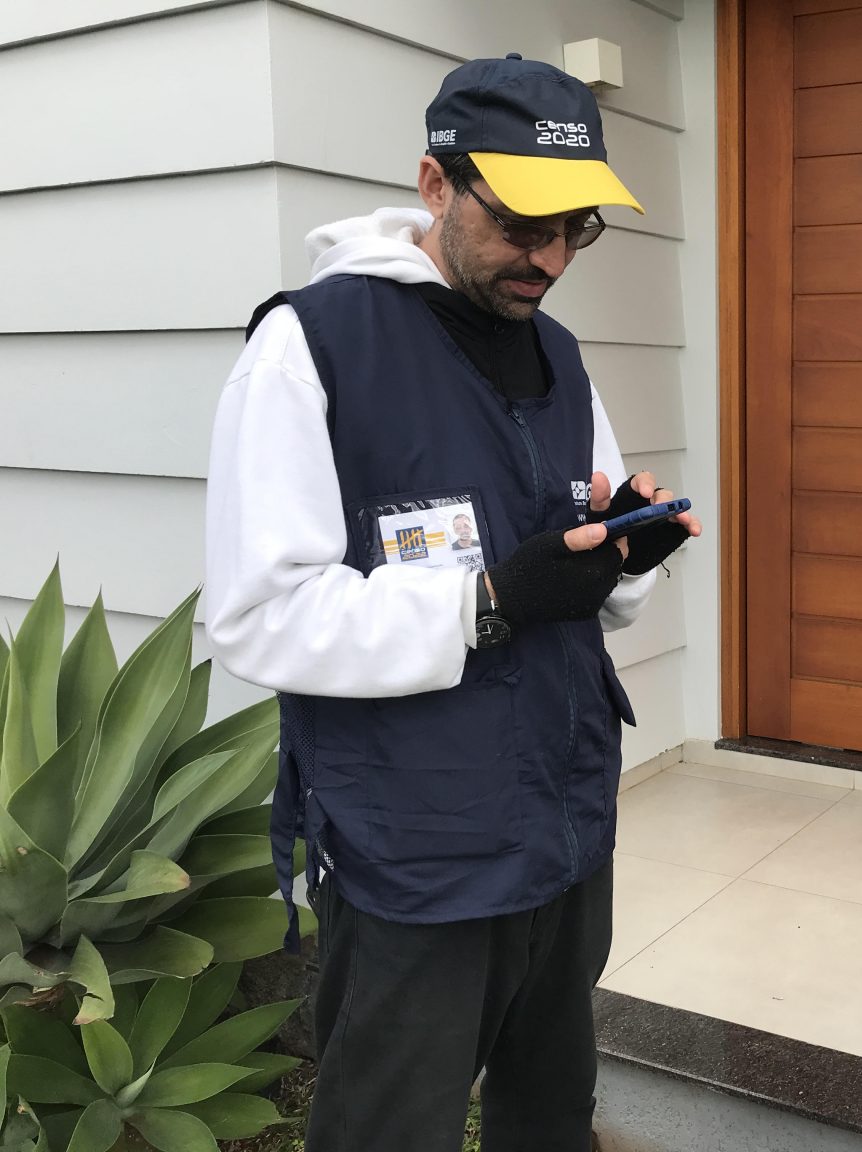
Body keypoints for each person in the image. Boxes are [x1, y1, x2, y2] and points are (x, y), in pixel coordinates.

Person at [204, 53, 700, 1152]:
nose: (551, 258)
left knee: (550, 1116)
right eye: (522, 223)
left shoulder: (559, 354)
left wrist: (626, 554)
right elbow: (259, 615)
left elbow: (580, 588)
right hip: (414, 854)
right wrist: (486, 601)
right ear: (436, 184)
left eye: (576, 228)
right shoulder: (311, 347)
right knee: (390, 1128)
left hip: (567, 830)